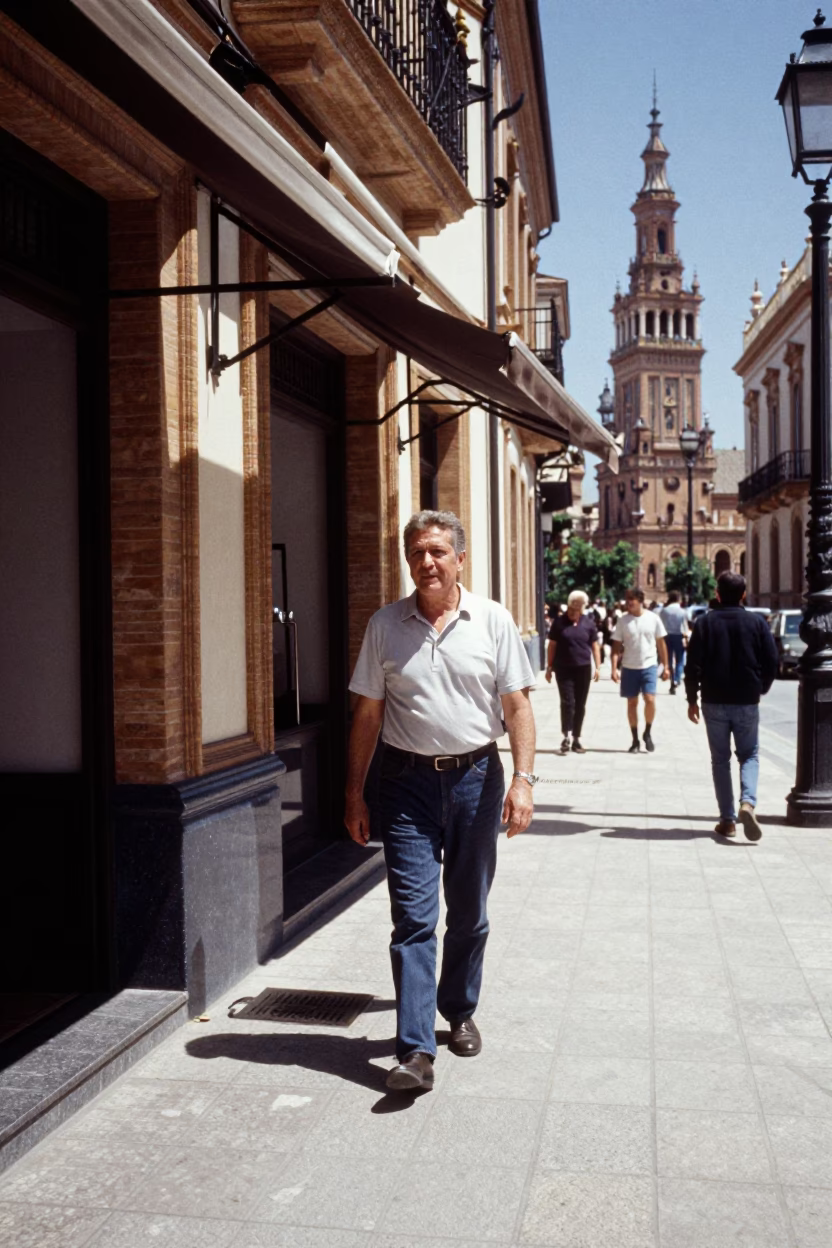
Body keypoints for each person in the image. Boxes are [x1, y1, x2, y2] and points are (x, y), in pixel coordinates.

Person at [344, 509, 537, 1092]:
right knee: (413, 919)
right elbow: (368, 715)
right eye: (416, 553)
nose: (425, 563)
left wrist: (524, 780)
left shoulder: (494, 621)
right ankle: (414, 1050)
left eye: (436, 552)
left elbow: (518, 707)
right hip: (405, 786)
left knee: (470, 911)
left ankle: (459, 1009)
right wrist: (355, 792)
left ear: (459, 559)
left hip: (478, 780)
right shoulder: (385, 625)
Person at [684, 570, 778, 840]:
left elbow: (693, 666)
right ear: (744, 594)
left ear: (717, 594)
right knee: (749, 754)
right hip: (746, 699)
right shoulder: (756, 623)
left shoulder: (704, 623)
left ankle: (727, 820)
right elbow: (771, 661)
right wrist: (761, 687)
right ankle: (747, 803)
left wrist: (692, 698)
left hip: (713, 699)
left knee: (720, 760)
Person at [611, 586, 670, 752]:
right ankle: (635, 739)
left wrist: (666, 666)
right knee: (632, 703)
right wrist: (614, 668)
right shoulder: (623, 621)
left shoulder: (653, 618)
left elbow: (661, 643)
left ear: (640, 601)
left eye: (632, 600)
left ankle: (648, 732)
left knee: (650, 699)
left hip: (649, 665)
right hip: (629, 667)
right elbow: (616, 647)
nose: (628, 603)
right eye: (627, 600)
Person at [545, 589, 601, 754]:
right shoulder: (559, 623)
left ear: (581, 610)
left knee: (580, 704)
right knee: (567, 702)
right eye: (570, 609)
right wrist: (549, 667)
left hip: (583, 668)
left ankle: (576, 738)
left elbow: (595, 646)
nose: (571, 613)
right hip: (563, 668)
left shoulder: (588, 623)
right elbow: (552, 645)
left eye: (575, 611)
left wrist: (597, 666)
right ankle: (566, 736)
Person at [660, 590, 690, 694]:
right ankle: (677, 679)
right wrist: (686, 639)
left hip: (666, 636)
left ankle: (671, 678)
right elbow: (685, 627)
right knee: (680, 659)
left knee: (668, 660)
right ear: (678, 599)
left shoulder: (664, 611)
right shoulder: (682, 611)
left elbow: (660, 625)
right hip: (679, 636)